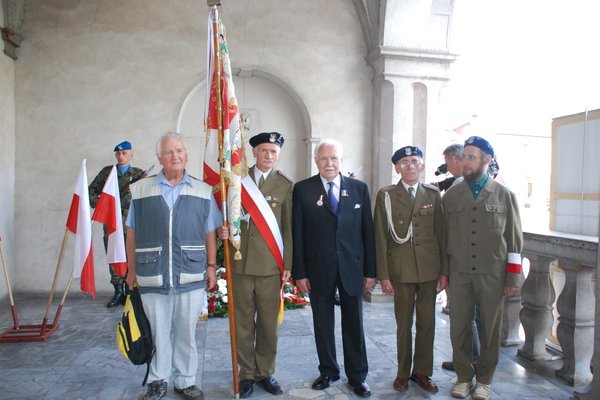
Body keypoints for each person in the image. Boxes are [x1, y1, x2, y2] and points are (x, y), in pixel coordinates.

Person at [125, 132, 220, 400]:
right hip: (151, 273)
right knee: (158, 331)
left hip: (190, 272)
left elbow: (210, 232)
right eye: (169, 152)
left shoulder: (202, 190)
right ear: (159, 158)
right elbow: (131, 232)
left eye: (179, 151)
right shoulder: (141, 189)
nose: (175, 156)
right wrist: (131, 270)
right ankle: (157, 380)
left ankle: (186, 380)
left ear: (186, 156)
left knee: (186, 331)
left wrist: (211, 266)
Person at [291, 138, 376, 398]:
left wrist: (371, 271)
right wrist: (300, 273)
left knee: (354, 324)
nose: (329, 163)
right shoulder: (303, 189)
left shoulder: (359, 189)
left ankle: (357, 376)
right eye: (324, 158)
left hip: (352, 268)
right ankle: (328, 370)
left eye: (334, 158)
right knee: (322, 323)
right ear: (316, 160)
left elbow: (368, 233)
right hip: (319, 269)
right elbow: (298, 233)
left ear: (341, 160)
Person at [443, 136, 523, 400]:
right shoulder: (452, 195)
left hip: (493, 273)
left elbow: (513, 239)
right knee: (459, 328)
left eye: (471, 157)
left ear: (486, 160)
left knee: (490, 329)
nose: (464, 162)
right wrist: (445, 272)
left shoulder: (504, 195)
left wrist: (513, 277)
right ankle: (464, 378)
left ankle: (485, 380)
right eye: (464, 156)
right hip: (460, 272)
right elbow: (444, 238)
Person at [218, 131, 293, 398]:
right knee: (243, 323)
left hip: (270, 266)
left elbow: (289, 230)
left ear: (278, 155)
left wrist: (288, 264)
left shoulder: (286, 185)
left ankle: (265, 372)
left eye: (273, 151)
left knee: (269, 323)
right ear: (254, 153)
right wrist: (222, 231)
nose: (268, 156)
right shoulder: (237, 180)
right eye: (263, 150)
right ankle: (246, 373)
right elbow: (225, 217)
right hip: (240, 264)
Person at [373, 146, 448, 394]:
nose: (410, 167)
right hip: (401, 271)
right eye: (404, 163)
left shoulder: (433, 195)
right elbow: (381, 238)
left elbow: (441, 235)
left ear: (422, 166)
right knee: (403, 324)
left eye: (414, 161)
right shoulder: (386, 195)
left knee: (427, 323)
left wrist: (444, 272)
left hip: (429, 270)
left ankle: (422, 372)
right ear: (397, 168)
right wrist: (383, 275)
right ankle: (403, 373)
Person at [88, 140, 145, 308]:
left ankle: (130, 291)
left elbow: (147, 199)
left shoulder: (139, 174)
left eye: (124, 153)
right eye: (118, 153)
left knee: (131, 255)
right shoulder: (108, 173)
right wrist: (101, 204)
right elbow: (91, 191)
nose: (121, 156)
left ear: (131, 154)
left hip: (132, 224)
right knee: (114, 255)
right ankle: (118, 291)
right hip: (112, 224)